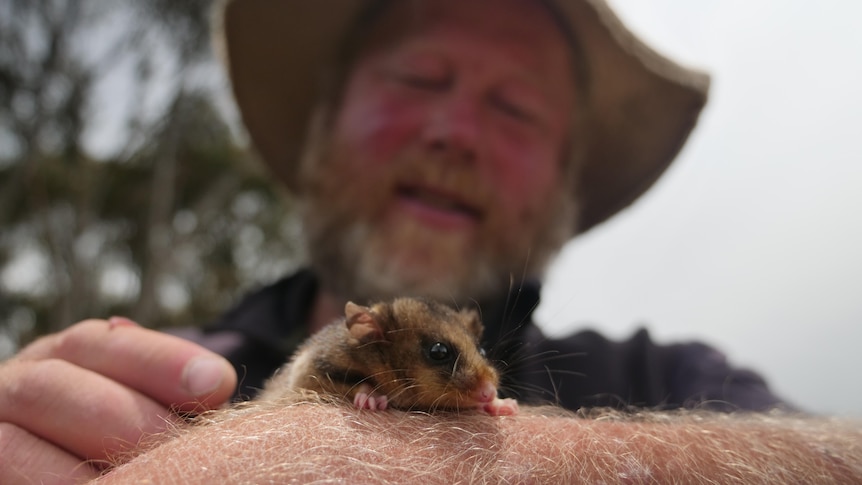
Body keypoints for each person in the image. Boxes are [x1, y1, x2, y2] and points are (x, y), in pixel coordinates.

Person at [2, 0, 859, 483]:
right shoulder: (171, 374)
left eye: (515, 107)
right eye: (418, 78)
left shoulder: (674, 384)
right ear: (323, 130)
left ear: (563, 179)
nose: (455, 132)